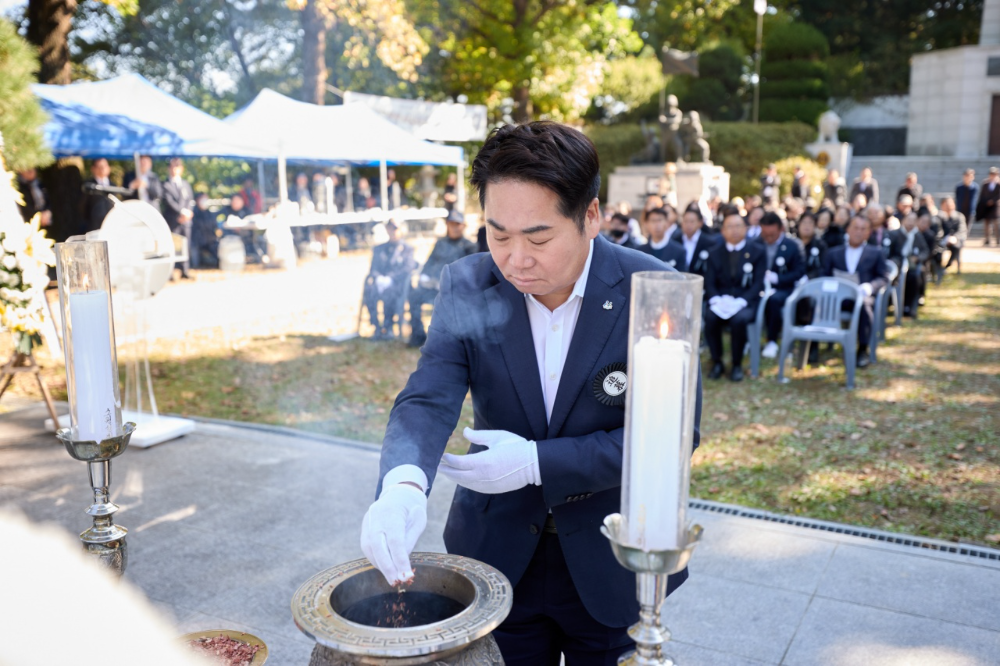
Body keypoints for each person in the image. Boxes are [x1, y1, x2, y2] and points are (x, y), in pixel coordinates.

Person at [359, 121, 700, 665]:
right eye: (498, 235)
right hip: (497, 553)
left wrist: (540, 462)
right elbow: (428, 396)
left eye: (538, 238)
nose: (515, 259)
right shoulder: (468, 283)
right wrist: (402, 484)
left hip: (609, 553)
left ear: (590, 216)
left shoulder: (652, 291)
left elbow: (674, 438)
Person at [704, 209, 767, 382]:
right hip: (721, 300)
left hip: (745, 301)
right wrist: (716, 299)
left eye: (738, 226)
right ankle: (717, 361)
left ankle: (737, 364)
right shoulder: (714, 252)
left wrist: (741, 301)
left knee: (739, 320)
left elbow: (758, 283)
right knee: (710, 317)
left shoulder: (757, 251)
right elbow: (709, 281)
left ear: (746, 228)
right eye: (729, 226)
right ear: (722, 231)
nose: (734, 230)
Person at [822, 215, 890, 368]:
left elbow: (884, 277)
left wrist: (870, 287)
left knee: (865, 307)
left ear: (868, 233)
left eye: (863, 229)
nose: (858, 232)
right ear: (848, 229)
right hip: (836, 298)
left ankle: (862, 349)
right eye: (855, 228)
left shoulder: (876, 253)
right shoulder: (833, 253)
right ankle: (812, 345)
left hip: (861, 298)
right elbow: (824, 275)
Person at [407, 210, 479, 348]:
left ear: (463, 226)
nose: (454, 227)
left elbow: (469, 273)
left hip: (456, 291)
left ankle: (446, 340)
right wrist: (424, 277)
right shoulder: (440, 243)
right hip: (433, 288)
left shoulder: (469, 246)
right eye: (451, 224)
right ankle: (418, 336)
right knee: (414, 296)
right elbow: (429, 263)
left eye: (457, 224)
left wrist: (446, 283)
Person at [756, 212, 806, 359]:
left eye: (772, 234)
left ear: (781, 229)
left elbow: (799, 271)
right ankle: (749, 339)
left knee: (774, 301)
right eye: (765, 234)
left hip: (785, 288)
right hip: (760, 287)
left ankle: (772, 340)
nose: (768, 238)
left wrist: (778, 278)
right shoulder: (756, 243)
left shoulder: (793, 245)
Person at [362, 219, 417, 339]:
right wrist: (378, 278)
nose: (393, 232)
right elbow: (373, 268)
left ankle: (389, 326)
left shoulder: (407, 249)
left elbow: (408, 268)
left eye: (395, 229)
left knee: (389, 293)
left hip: (398, 285)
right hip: (380, 282)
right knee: (369, 290)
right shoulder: (379, 249)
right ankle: (376, 326)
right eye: (390, 229)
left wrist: (391, 279)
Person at [890, 211, 930, 316]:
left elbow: (925, 251)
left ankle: (910, 306)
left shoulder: (917, 235)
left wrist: (917, 258)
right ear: (903, 220)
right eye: (909, 220)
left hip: (912, 266)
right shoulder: (895, 234)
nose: (910, 223)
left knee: (916, 277)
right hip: (898, 264)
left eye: (913, 221)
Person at [161, 157, 196, 279]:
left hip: (186, 221)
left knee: (186, 245)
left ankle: (185, 270)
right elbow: (168, 201)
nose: (175, 169)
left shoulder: (185, 184)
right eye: (173, 166)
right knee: (172, 246)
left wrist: (188, 212)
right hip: (173, 220)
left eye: (177, 166)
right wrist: (181, 212)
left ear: (181, 169)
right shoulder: (165, 184)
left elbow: (190, 200)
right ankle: (170, 271)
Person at [80, 158, 117, 233]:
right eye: (99, 166)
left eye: (104, 166)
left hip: (111, 225)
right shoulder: (88, 186)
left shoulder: (113, 186)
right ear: (93, 169)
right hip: (93, 227)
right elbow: (83, 207)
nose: (102, 169)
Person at [677, 207, 717, 276]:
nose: (688, 225)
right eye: (685, 221)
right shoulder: (676, 241)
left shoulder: (709, 243)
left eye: (692, 221)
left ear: (700, 223)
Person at [937, 196, 967, 274]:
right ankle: (938, 268)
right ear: (942, 206)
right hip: (942, 239)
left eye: (950, 204)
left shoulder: (959, 216)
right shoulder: (939, 216)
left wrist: (955, 238)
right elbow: (937, 230)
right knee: (936, 248)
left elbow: (962, 230)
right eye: (946, 204)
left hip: (955, 240)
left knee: (956, 247)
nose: (948, 206)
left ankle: (947, 266)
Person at [190, 192, 220, 269]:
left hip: (210, 240)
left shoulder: (209, 213)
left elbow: (214, 226)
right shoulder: (193, 212)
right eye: (202, 199)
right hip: (196, 240)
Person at [796, 213, 828, 280]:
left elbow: (823, 267)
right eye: (804, 223)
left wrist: (808, 277)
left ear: (815, 227)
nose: (806, 226)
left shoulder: (821, 245)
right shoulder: (793, 243)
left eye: (810, 223)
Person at [975, 167, 1000, 245]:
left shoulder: (998, 184)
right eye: (991, 174)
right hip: (986, 206)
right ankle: (987, 238)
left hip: (995, 206)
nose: (992, 175)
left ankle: (997, 238)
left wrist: (993, 200)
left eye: (994, 174)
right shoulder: (985, 183)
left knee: (996, 223)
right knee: (986, 224)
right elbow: (982, 194)